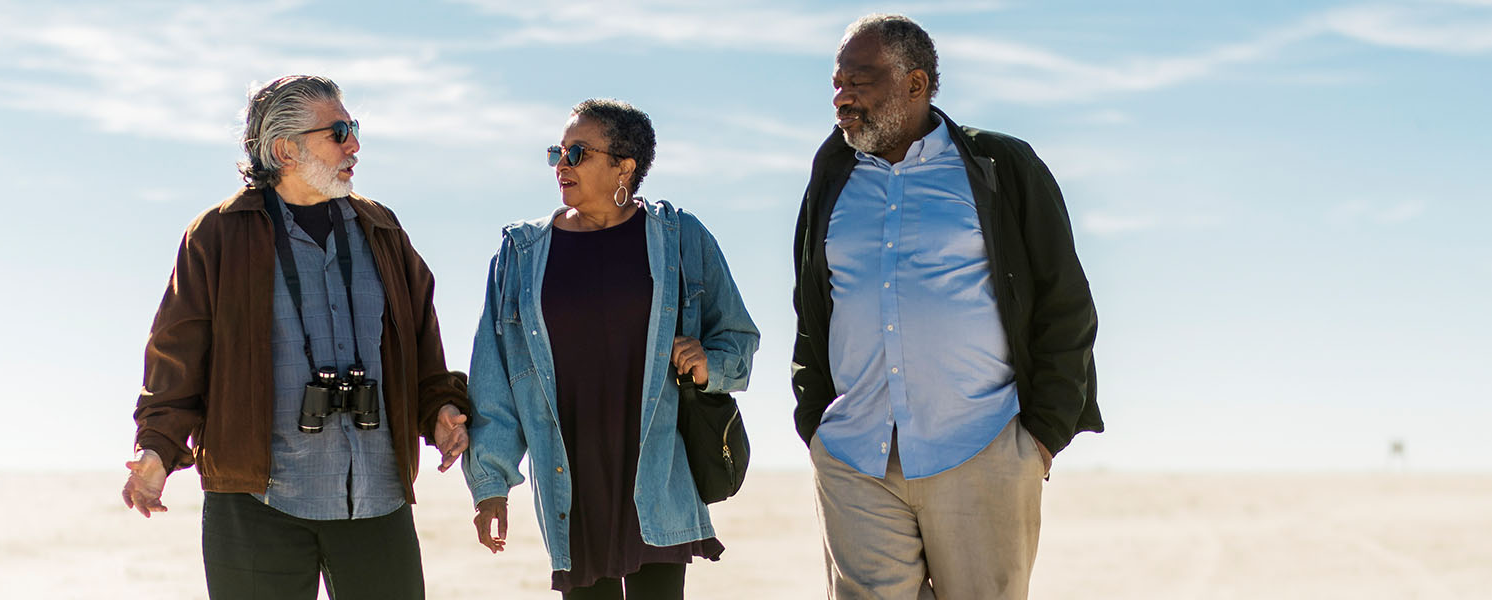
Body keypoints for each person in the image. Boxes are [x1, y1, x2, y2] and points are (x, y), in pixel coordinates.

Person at [123, 74, 472, 600]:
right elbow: (177, 358)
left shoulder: (383, 230)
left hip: (378, 498)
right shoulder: (217, 235)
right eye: (338, 132)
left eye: (353, 128)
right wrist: (157, 450)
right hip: (255, 503)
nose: (355, 145)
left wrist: (440, 409)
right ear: (285, 148)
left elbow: (422, 343)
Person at [790, 15, 1101, 599]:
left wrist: (1040, 438)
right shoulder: (831, 175)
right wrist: (816, 423)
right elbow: (812, 309)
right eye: (837, 83)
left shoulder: (1000, 166)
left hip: (982, 447)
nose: (843, 97)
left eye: (861, 79)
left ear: (916, 84)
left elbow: (1067, 305)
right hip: (857, 455)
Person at [461, 98, 760, 599]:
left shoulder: (681, 238)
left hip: (657, 470)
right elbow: (493, 377)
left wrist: (709, 365)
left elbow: (737, 337)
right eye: (558, 151)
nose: (561, 164)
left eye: (577, 152)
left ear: (625, 166)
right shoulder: (520, 255)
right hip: (570, 475)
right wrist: (491, 485)